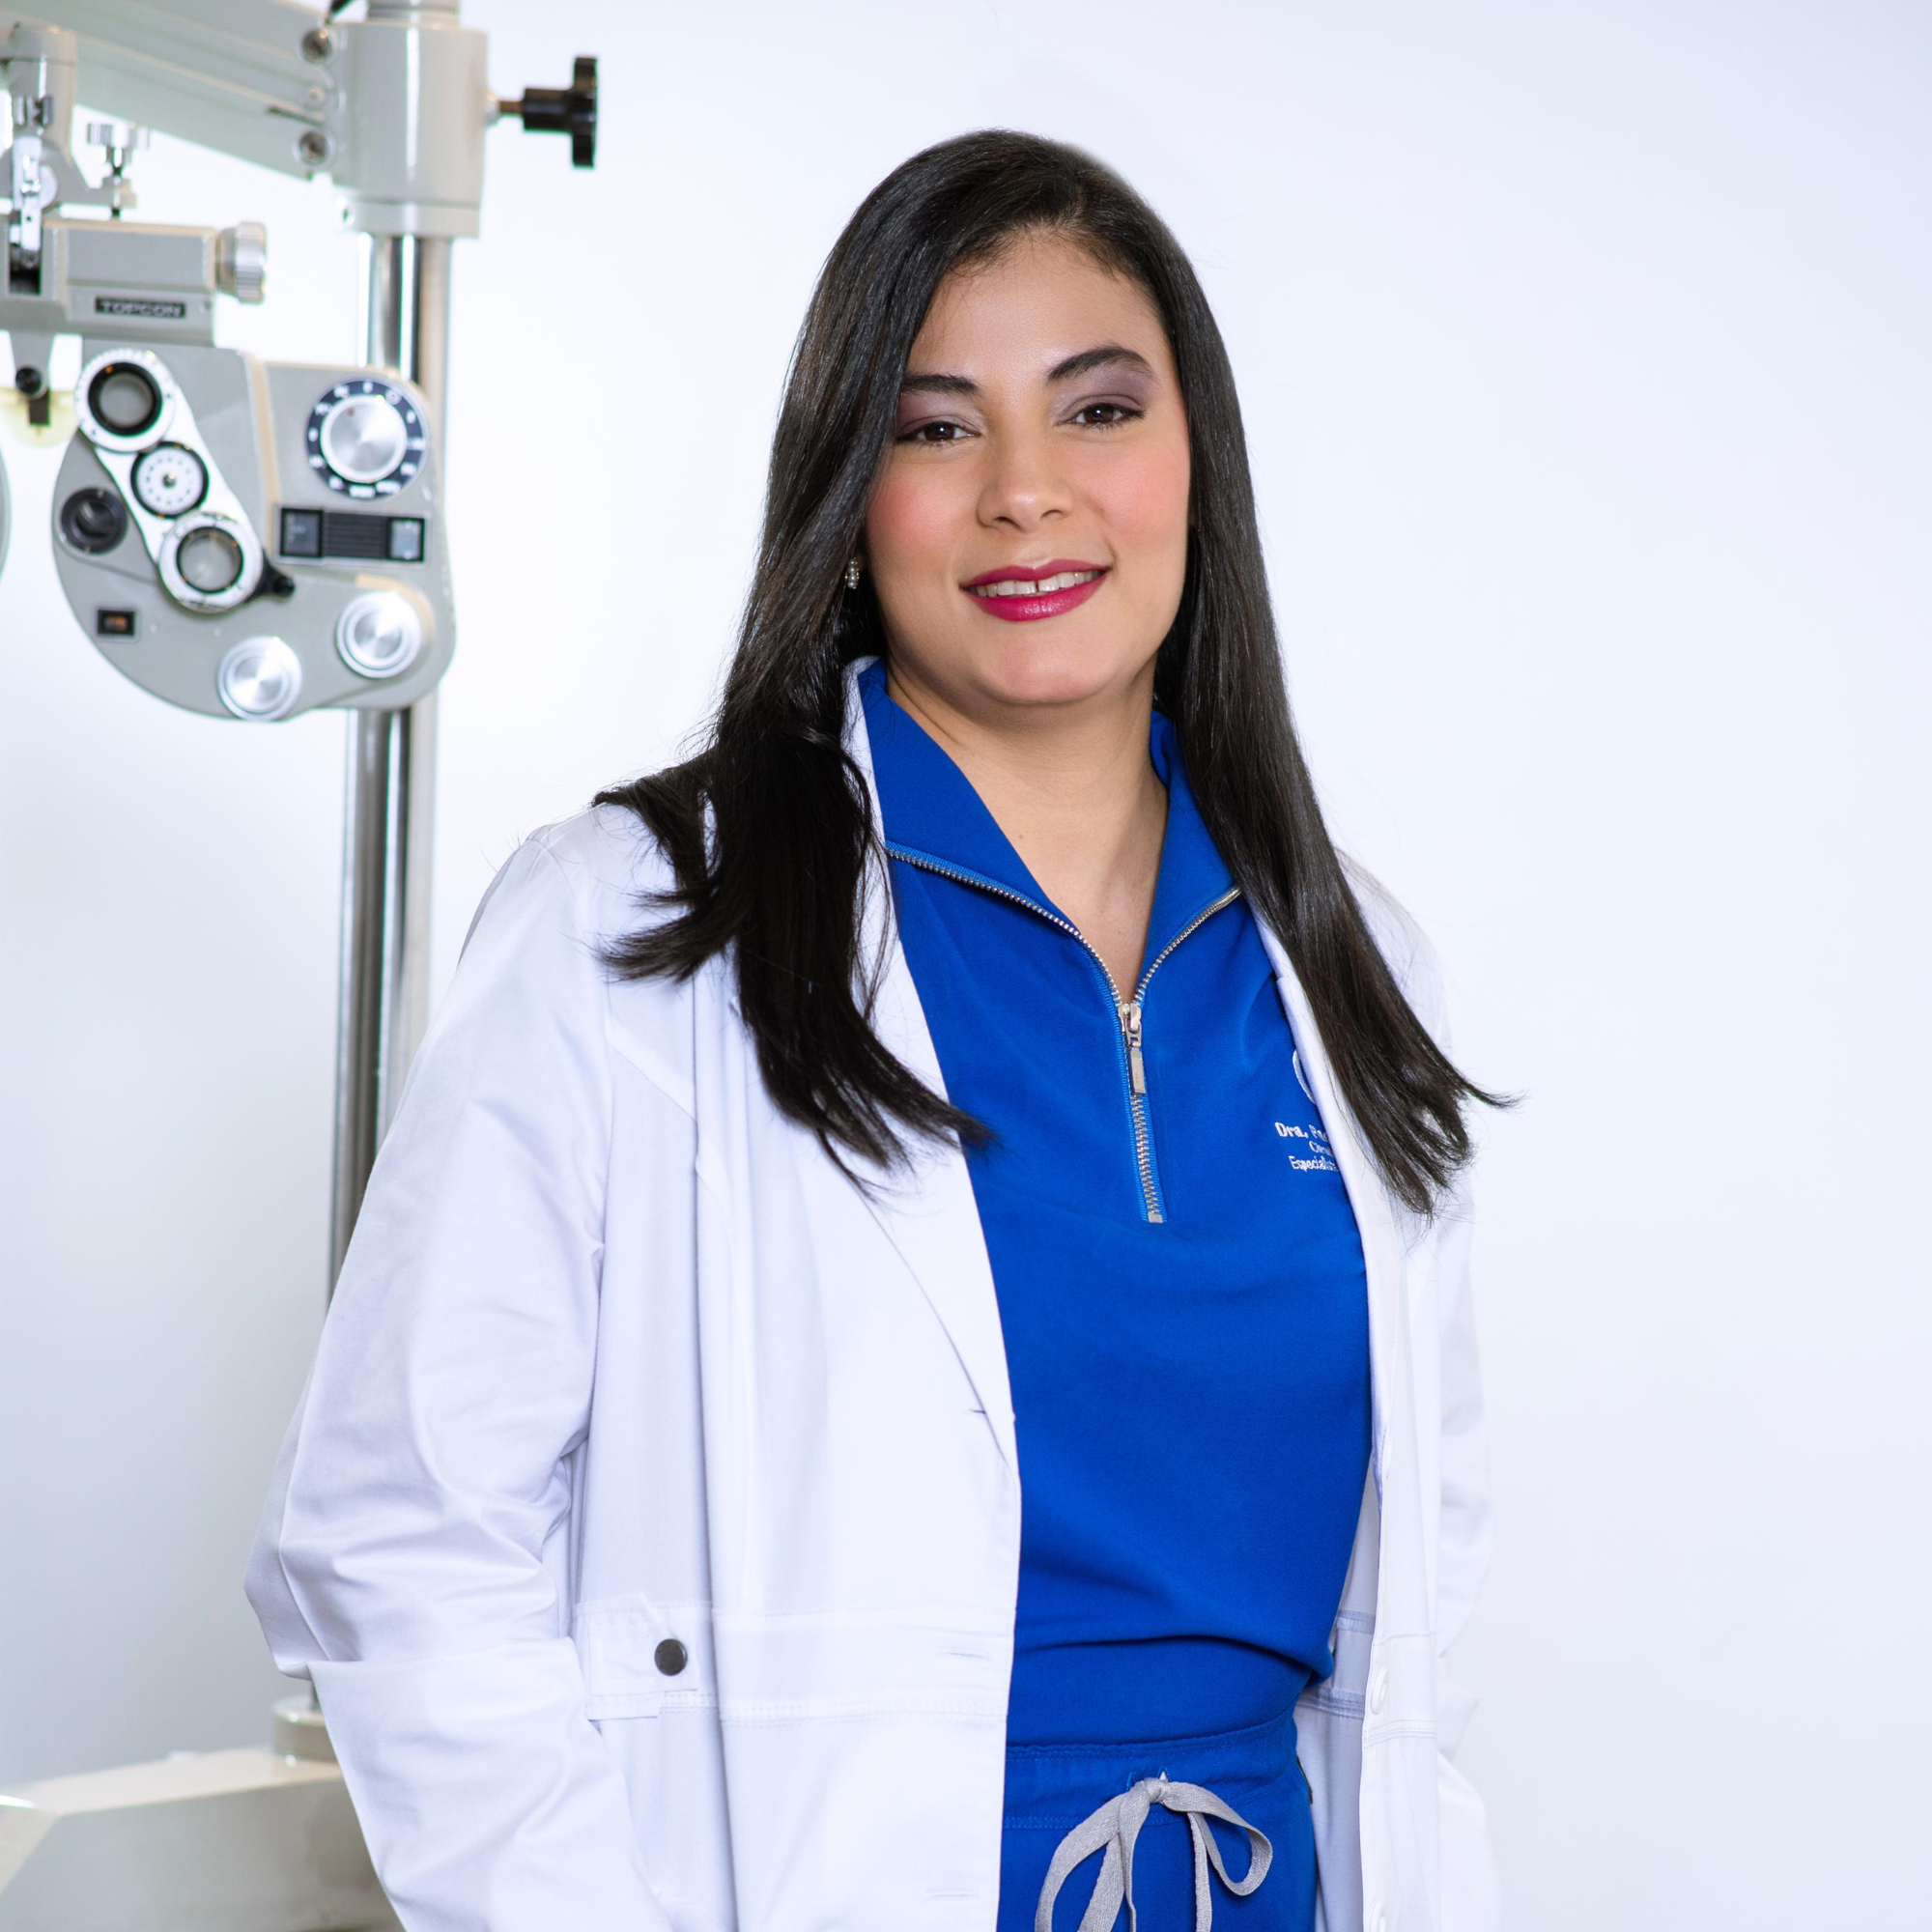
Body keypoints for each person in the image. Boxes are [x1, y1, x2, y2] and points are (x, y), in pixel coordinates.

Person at [247, 129, 1500, 1932]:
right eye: (934, 429)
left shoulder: (1350, 960)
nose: (1025, 494)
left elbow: (1423, 1610)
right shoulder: (634, 926)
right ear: (849, 497)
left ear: (1196, 465)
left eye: (1097, 410)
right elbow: (396, 1530)